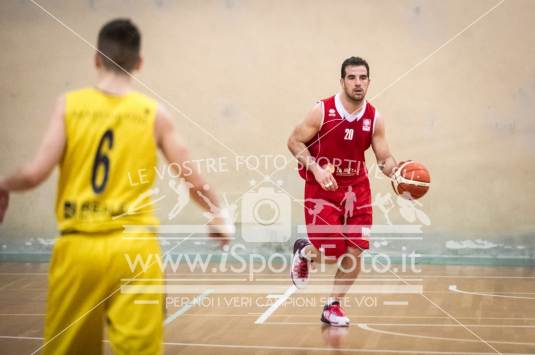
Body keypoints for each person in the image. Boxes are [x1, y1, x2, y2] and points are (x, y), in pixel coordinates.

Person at [0, 19, 233, 354]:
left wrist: (4, 183)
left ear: (96, 58)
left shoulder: (69, 105)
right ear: (139, 63)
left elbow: (35, 173)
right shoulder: (153, 114)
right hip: (135, 250)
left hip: (78, 248)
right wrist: (219, 213)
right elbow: (192, 178)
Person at [287, 56, 397, 327]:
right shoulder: (322, 110)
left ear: (369, 82)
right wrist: (315, 168)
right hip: (322, 188)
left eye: (362, 78)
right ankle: (305, 252)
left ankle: (332, 305)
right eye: (352, 77)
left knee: (356, 249)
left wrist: (398, 171)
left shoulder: (374, 118)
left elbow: (384, 158)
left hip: (357, 189)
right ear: (342, 81)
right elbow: (293, 141)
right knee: (333, 251)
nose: (358, 83)